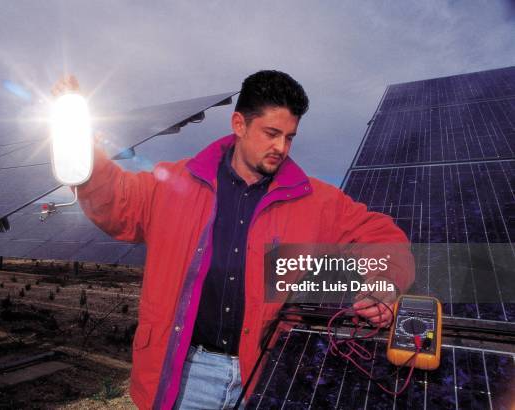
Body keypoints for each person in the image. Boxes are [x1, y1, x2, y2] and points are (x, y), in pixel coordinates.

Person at [51, 71, 414, 409]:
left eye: (289, 137)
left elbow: (382, 235)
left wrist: (385, 282)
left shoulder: (316, 201)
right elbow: (115, 201)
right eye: (271, 133)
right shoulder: (172, 185)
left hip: (269, 374)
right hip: (186, 376)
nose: (282, 147)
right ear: (239, 124)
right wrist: (80, 147)